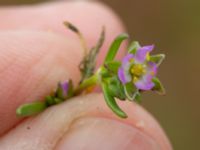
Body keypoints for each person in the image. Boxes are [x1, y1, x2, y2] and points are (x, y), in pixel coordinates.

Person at [0, 1, 172, 149]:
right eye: (136, 68)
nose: (139, 70)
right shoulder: (118, 71)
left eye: (138, 72)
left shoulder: (122, 75)